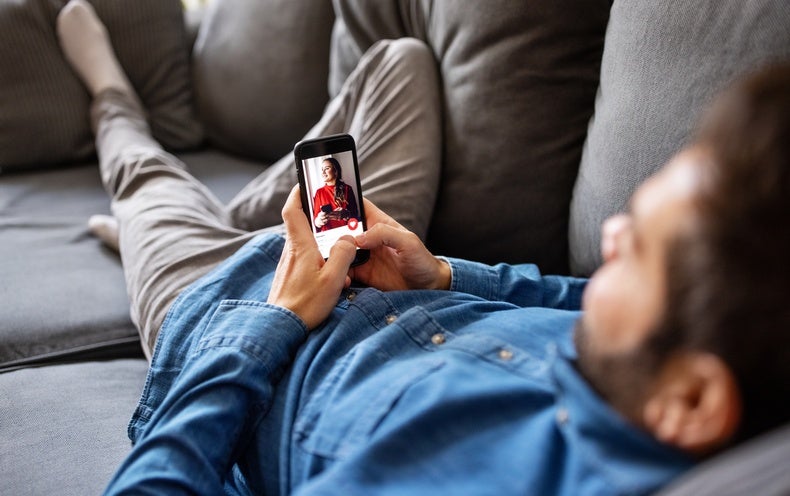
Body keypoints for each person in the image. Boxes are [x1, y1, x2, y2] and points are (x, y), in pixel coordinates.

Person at [55, 1, 790, 495]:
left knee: (143, 175)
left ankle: (113, 98)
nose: (608, 237)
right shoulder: (668, 351)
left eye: (639, 252)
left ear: (691, 401)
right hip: (374, 261)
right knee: (399, 60)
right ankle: (263, 211)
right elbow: (573, 296)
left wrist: (275, 318)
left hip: (221, 306)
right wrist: (437, 273)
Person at [312, 157, 360, 232]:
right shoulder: (319, 192)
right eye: (322, 169)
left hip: (347, 231)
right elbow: (316, 222)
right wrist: (319, 220)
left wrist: (347, 214)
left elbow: (355, 216)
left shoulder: (348, 189)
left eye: (327, 168)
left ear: (335, 171)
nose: (323, 172)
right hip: (328, 235)